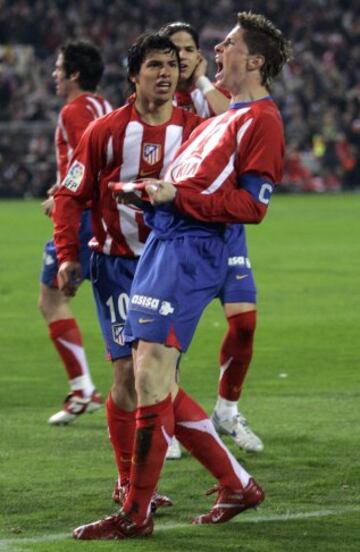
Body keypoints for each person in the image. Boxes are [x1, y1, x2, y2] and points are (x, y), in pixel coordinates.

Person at [71, 11, 290, 540]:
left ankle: (136, 512)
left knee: (148, 378)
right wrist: (149, 192)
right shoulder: (220, 117)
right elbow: (188, 185)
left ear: (254, 60)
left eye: (230, 44)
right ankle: (232, 485)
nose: (218, 50)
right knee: (153, 379)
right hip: (163, 246)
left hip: (192, 252)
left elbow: (253, 205)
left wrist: (177, 197)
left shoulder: (262, 120)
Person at [52, 32, 202, 512]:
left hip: (169, 265)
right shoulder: (107, 132)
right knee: (126, 377)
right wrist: (69, 255)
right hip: (117, 264)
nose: (165, 73)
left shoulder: (196, 130)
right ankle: (128, 482)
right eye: (155, 65)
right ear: (133, 75)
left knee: (160, 380)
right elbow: (70, 194)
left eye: (172, 66)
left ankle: (144, 484)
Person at [161, 22, 262, 458]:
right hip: (181, 226)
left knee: (244, 322)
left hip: (225, 225)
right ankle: (166, 418)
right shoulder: (158, 97)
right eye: (174, 51)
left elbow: (231, 119)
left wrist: (204, 79)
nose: (182, 57)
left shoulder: (212, 95)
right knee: (169, 333)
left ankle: (227, 408)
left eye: (189, 49)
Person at [38, 40, 112, 425]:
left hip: (80, 217)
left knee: (51, 301)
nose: (54, 74)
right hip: (97, 214)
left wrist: (67, 195)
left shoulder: (74, 111)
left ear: (74, 74)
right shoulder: (105, 106)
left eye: (58, 67)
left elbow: (91, 159)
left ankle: (84, 389)